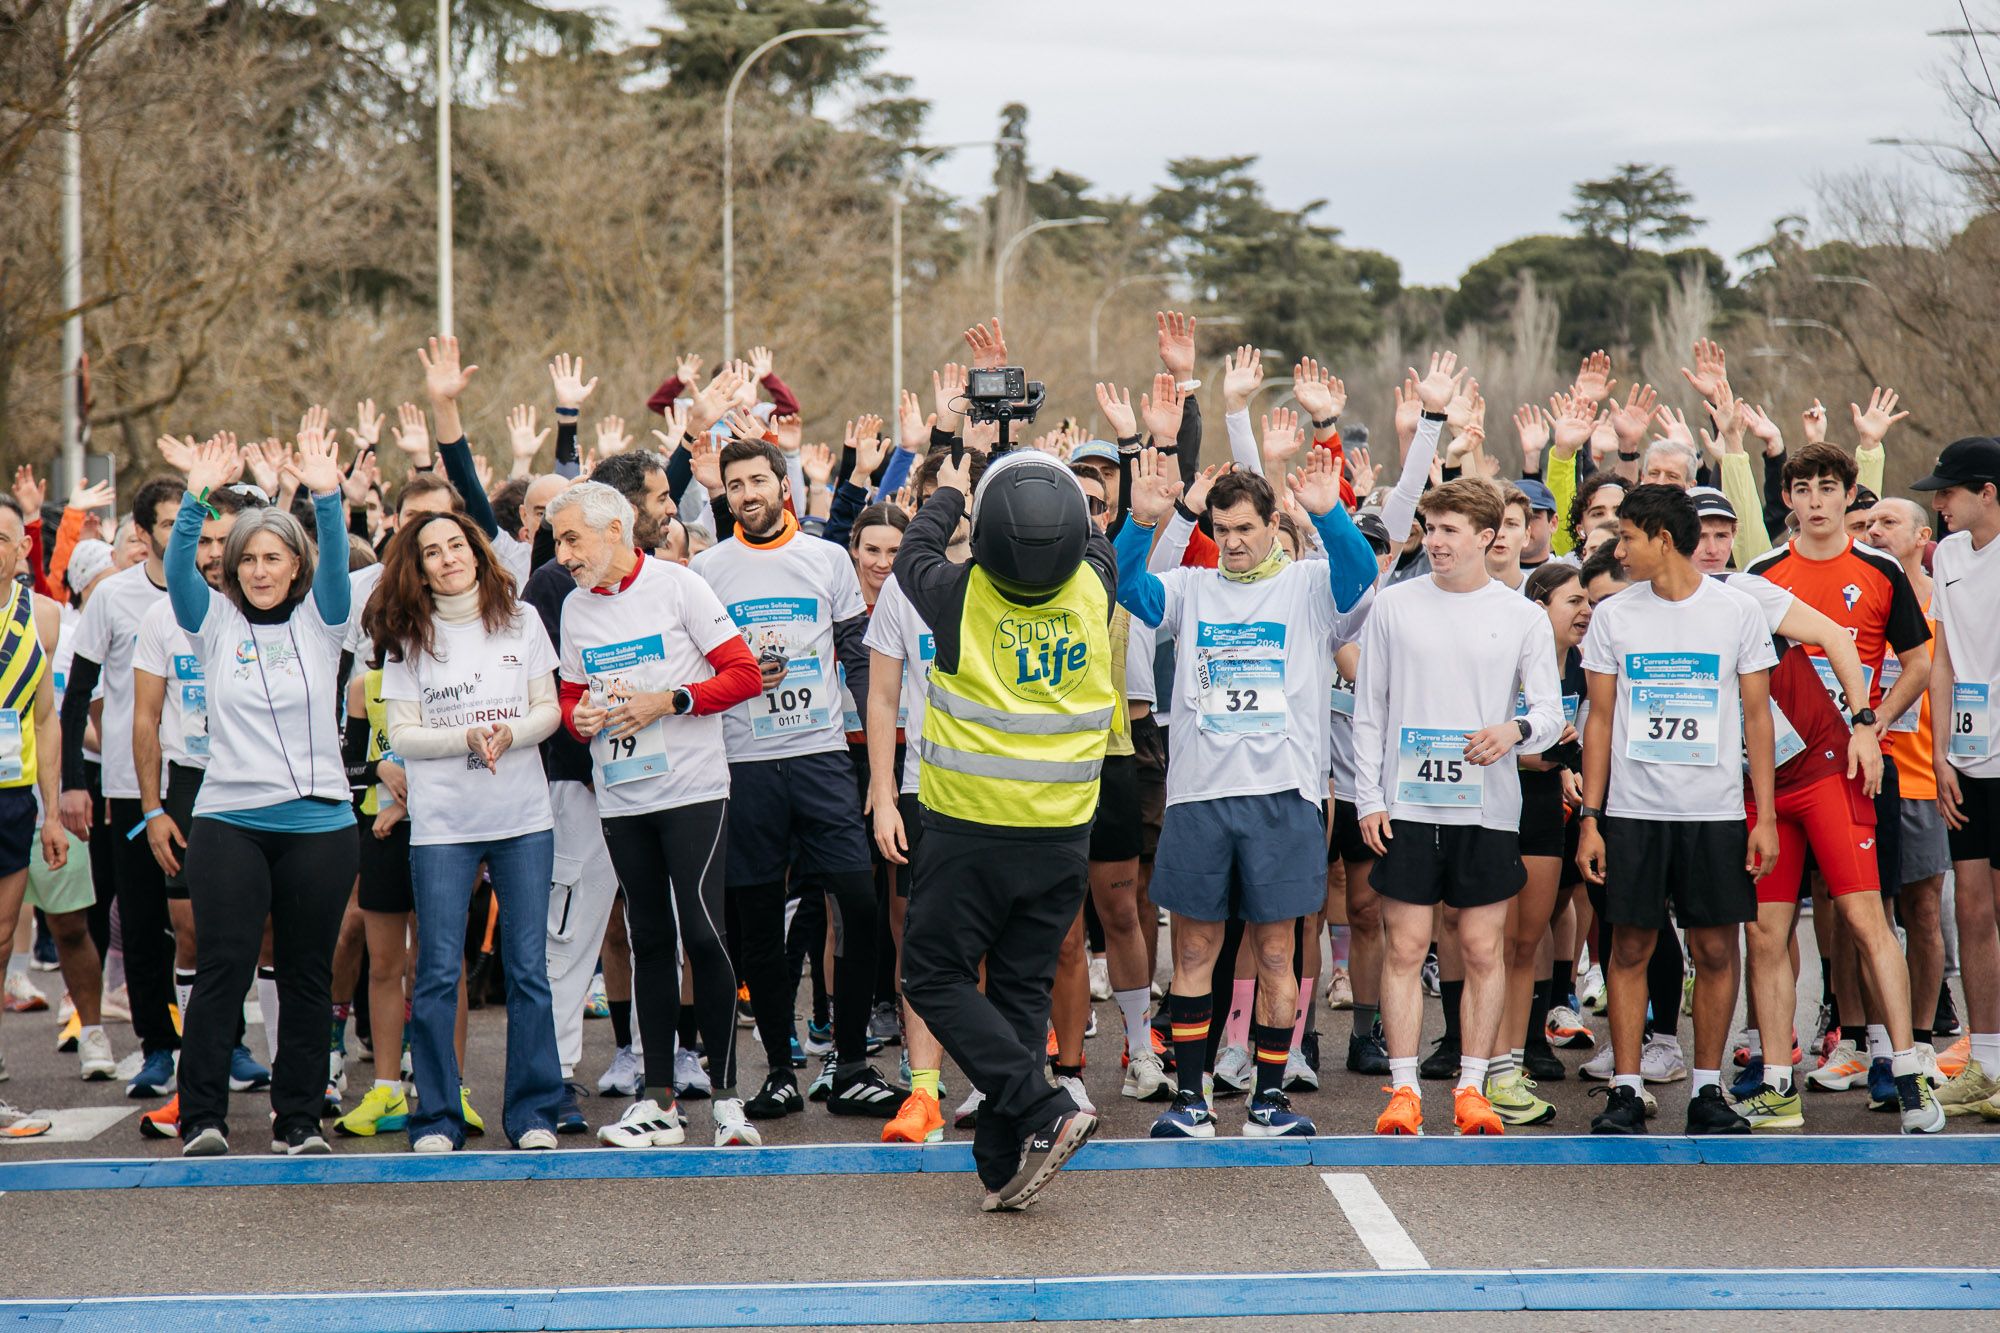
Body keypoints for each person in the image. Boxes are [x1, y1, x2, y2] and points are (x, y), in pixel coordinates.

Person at [1118, 436, 1375, 1140]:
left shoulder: (1307, 585)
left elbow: (1361, 573)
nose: (1231, 542)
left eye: (1245, 530)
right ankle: (1193, 1098)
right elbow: (1124, 585)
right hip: (1200, 798)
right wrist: (1143, 521)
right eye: (1221, 530)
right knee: (1196, 951)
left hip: (1282, 797)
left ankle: (1269, 1098)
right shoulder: (1189, 587)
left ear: (1271, 528)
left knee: (1276, 952)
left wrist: (1330, 515)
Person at [896, 446, 1115, 1212]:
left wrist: (951, 490)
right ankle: (1002, 1158)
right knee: (1019, 985)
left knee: (931, 974)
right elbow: (1090, 533)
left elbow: (911, 550)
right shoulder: (1095, 589)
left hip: (969, 830)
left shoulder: (959, 594)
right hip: (1060, 834)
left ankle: (1042, 1100)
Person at [1355, 463, 1564, 1137]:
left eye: (1448, 530)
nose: (1435, 540)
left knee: (1481, 947)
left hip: (1487, 809)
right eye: (1430, 528)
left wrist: (1514, 730)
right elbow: (1370, 710)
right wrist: (1367, 799)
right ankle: (1405, 1089)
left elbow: (1553, 715)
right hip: (1408, 806)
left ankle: (1473, 1088)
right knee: (1406, 945)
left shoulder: (1522, 616)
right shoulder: (1395, 604)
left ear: (1485, 535)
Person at [553, 480, 764, 1148]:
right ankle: (658, 1100)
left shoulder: (680, 587)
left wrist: (668, 700)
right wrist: (579, 717)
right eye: (559, 541)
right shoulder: (576, 609)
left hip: (692, 790)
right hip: (621, 795)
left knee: (701, 934)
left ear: (614, 529)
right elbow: (569, 696)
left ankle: (730, 1101)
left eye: (571, 538)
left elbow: (745, 674)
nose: (563, 555)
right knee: (647, 940)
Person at [690, 434, 894, 1118]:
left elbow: (858, 656)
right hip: (743, 763)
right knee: (758, 925)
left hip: (820, 757)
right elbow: (692, 665)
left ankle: (852, 1059)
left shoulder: (827, 558)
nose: (749, 493)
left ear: (784, 485)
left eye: (759, 480)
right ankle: (779, 1067)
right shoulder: (707, 568)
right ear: (728, 494)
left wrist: (876, 759)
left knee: (858, 904)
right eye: (736, 484)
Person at [168, 432, 357, 1157]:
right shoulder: (212, 624)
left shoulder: (322, 621)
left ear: (295, 564)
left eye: (273, 555)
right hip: (229, 822)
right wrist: (193, 499)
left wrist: (328, 495)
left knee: (306, 975)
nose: (258, 568)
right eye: (246, 557)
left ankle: (300, 1120)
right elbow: (186, 570)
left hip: (320, 824)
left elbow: (336, 560)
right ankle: (203, 1116)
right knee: (225, 966)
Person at [1576, 484, 1778, 1136]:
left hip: (1714, 812)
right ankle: (1627, 1089)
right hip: (1633, 813)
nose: (1618, 548)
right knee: (1630, 944)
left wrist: (1765, 815)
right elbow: (1599, 721)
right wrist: (1591, 817)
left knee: (1716, 948)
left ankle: (1706, 1089)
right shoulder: (1615, 616)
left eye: (1628, 536)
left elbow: (1757, 718)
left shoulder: (1735, 611)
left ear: (1662, 537)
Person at [364, 509, 567, 1152]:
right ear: (417, 568)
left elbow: (547, 711)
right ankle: (438, 1116)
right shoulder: (407, 636)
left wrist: (512, 732)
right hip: (444, 826)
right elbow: (402, 735)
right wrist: (467, 738)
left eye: (457, 544)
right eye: (432, 551)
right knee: (437, 972)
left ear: (476, 551)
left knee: (529, 970)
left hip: (523, 820)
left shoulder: (522, 619)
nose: (448, 557)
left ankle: (534, 1113)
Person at [1744, 441, 1934, 1113]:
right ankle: (1775, 1078)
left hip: (1849, 766)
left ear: (1850, 493)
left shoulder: (1880, 568)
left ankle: (1898, 1061)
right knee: (1767, 928)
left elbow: (1916, 660)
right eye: (1804, 488)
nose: (1817, 499)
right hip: (1774, 774)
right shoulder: (1762, 571)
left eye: (1829, 486)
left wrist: (1872, 721)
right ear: (1789, 498)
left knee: (1865, 913)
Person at [131, 483, 272, 1138]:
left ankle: (290, 1076)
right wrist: (153, 807)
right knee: (191, 930)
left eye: (230, 541)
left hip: (269, 780)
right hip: (192, 779)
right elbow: (145, 714)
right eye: (208, 540)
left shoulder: (282, 607)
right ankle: (196, 1082)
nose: (217, 554)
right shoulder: (168, 617)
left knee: (271, 933)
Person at [58, 474, 187, 1099]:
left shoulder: (217, 592)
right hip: (130, 785)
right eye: (168, 522)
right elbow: (76, 692)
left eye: (189, 520)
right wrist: (73, 785)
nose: (181, 532)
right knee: (141, 921)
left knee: (203, 923)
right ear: (143, 532)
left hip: (203, 781)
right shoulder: (113, 597)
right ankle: (158, 1047)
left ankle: (227, 1046)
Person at [1916, 437, 2000, 1118]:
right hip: (1967, 756)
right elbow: (1942, 658)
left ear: (1989, 492)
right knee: (1971, 907)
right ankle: (1987, 1061)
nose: (1939, 503)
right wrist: (1940, 751)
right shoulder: (1944, 555)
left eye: (1949, 491)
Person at [1865, 497, 1956, 1079]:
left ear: (1923, 536)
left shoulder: (1941, 599)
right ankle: (1872, 1041)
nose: (1874, 531)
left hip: (1923, 775)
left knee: (1922, 912)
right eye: (1868, 524)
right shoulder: (1863, 591)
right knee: (1868, 914)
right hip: (1869, 771)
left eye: (1887, 523)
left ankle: (1922, 1038)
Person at [0, 495, 74, 1130]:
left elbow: (46, 719)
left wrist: (52, 813)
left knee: (1, 940)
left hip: (10, 798)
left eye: (2, 537)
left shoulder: (43, 617)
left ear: (22, 548)